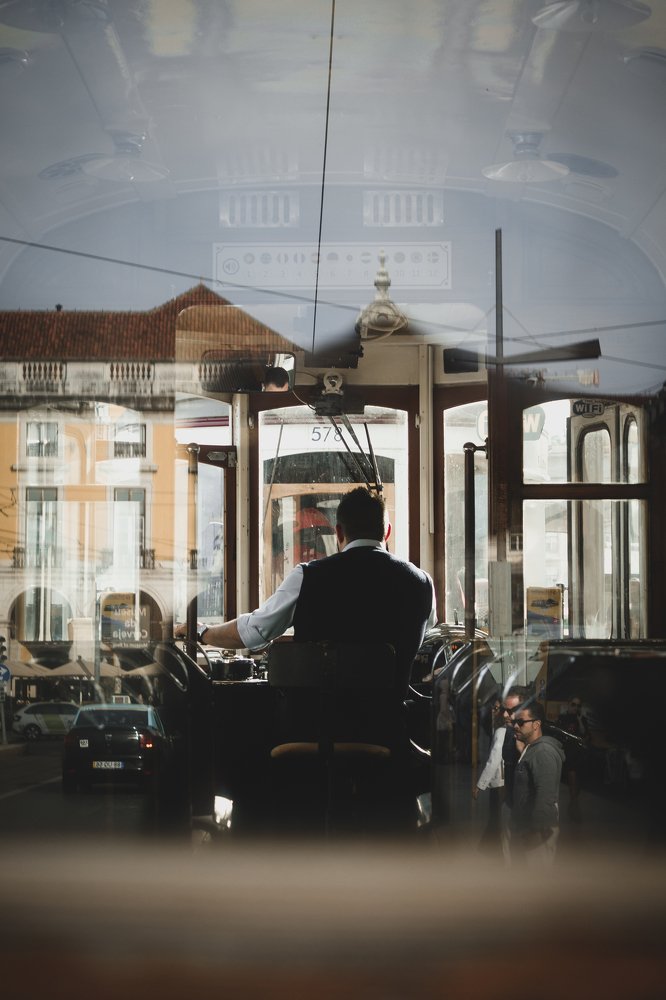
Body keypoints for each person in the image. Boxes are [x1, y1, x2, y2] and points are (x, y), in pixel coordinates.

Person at [176, 486, 435, 696]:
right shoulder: (422, 582)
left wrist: (201, 632)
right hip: (390, 734)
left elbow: (253, 633)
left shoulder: (308, 575)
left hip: (313, 734)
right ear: (387, 532)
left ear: (339, 532)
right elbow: (423, 636)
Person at [511, 699, 565, 867]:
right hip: (529, 829)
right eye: (514, 722)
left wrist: (536, 831)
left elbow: (545, 796)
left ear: (536, 724)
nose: (515, 726)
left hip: (538, 832)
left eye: (520, 722)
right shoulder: (533, 749)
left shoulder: (543, 752)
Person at [498, 685, 529, 866]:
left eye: (510, 711)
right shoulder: (509, 733)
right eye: (504, 709)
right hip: (510, 802)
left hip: (527, 807)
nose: (505, 715)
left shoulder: (535, 736)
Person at [472, 697, 504, 852]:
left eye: (497, 709)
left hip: (499, 782)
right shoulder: (499, 729)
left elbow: (494, 759)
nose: (493, 711)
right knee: (497, 816)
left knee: (496, 815)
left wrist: (480, 785)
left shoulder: (501, 731)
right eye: (493, 708)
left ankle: (492, 848)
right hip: (500, 781)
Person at [556, 696, 589, 821]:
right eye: (574, 705)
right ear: (569, 704)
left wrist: (580, 721)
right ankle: (574, 807)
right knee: (572, 779)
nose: (576, 707)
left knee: (578, 783)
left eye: (578, 705)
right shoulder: (562, 718)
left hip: (579, 754)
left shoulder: (582, 719)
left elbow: (585, 735)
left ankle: (573, 804)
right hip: (568, 754)